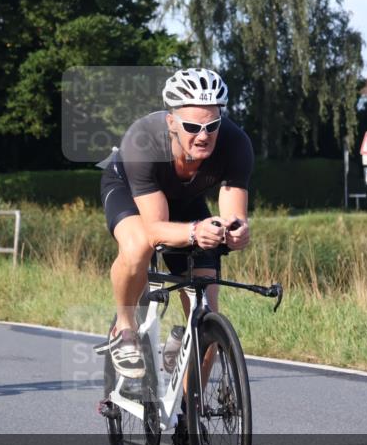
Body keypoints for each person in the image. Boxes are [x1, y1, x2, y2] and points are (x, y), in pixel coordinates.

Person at [99, 68, 253, 380]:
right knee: (139, 245)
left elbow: (232, 211)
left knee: (207, 317)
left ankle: (187, 417)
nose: (203, 135)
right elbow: (155, 229)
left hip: (184, 200)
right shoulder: (143, 140)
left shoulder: (236, 144)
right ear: (172, 122)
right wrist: (195, 231)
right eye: (193, 126)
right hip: (129, 191)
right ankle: (125, 328)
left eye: (212, 126)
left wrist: (235, 231)